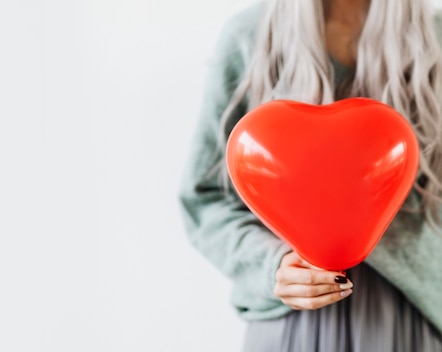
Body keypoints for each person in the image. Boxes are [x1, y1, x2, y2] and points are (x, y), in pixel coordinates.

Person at [179, 0, 442, 351]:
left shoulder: (435, 40)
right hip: (289, 321)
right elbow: (204, 197)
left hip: (415, 313)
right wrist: (274, 266)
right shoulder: (249, 38)